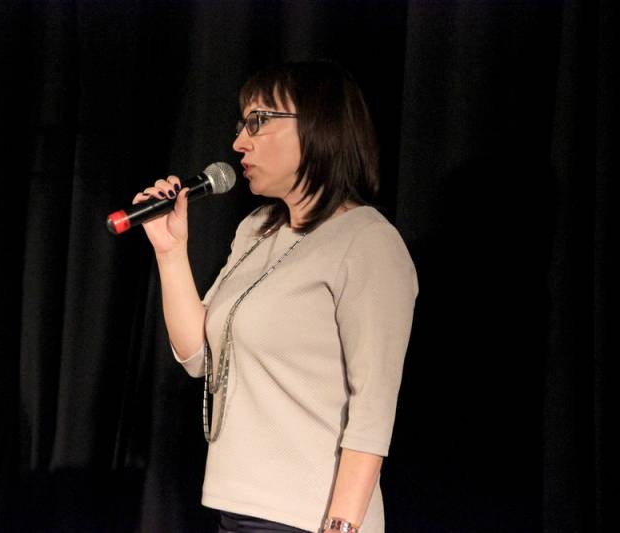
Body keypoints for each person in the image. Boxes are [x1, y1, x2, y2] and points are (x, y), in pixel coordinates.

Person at [132, 61, 418, 533]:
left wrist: (342, 526)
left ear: (319, 126)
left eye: (258, 122)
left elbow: (373, 408)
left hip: (307, 517)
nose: (239, 143)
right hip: (236, 507)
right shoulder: (256, 230)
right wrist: (170, 251)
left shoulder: (368, 241)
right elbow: (198, 356)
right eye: (241, 125)